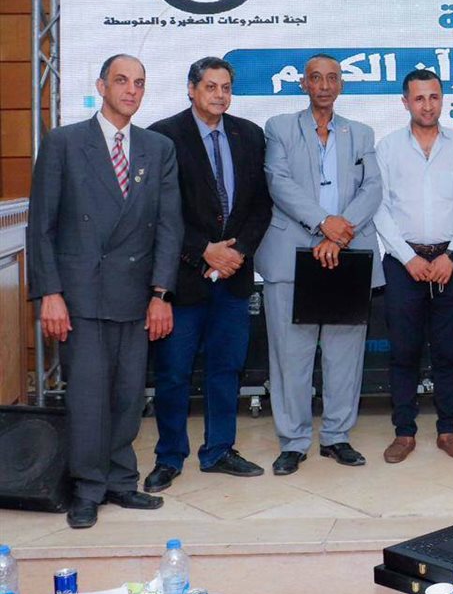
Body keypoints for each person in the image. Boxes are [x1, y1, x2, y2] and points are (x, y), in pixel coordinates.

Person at [27, 54, 183, 529]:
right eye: (121, 81)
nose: (131, 90)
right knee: (89, 397)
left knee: (129, 395)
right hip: (79, 295)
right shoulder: (64, 142)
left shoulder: (158, 148)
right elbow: (41, 226)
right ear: (101, 86)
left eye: (139, 82)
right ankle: (87, 488)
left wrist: (161, 294)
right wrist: (50, 293)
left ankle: (120, 480)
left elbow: (169, 227)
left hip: (135, 294)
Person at [144, 57, 273, 492]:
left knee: (227, 369)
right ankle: (169, 457)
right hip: (183, 280)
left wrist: (238, 252)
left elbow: (261, 205)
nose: (219, 95)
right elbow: (160, 211)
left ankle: (219, 450)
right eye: (211, 87)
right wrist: (203, 250)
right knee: (173, 374)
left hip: (233, 278)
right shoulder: (164, 136)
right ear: (191, 89)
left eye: (226, 87)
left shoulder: (249, 135)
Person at [256, 54, 383, 475]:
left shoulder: (360, 132)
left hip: (347, 253)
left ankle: (336, 437)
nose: (324, 85)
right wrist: (323, 224)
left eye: (332, 78)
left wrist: (338, 233)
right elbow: (279, 183)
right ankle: (293, 442)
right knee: (290, 357)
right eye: (316, 78)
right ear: (303, 84)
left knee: (344, 355)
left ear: (341, 85)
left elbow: (372, 187)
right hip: (292, 255)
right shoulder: (279, 128)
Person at [374, 69, 453, 463]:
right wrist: (409, 257)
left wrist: (451, 255)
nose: (427, 105)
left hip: (449, 262)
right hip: (403, 264)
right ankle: (404, 433)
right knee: (404, 351)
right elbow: (380, 208)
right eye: (419, 98)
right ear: (405, 102)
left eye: (434, 97)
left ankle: (448, 431)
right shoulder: (387, 147)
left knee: (448, 351)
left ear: (442, 99)